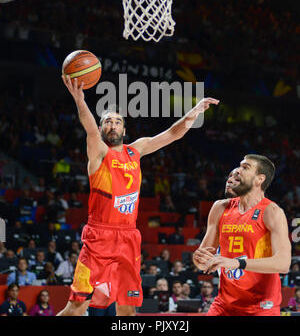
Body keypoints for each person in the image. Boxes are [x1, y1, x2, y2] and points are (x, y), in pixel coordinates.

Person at [57, 74, 219, 316]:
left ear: (124, 129)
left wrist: (194, 112)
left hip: (128, 239)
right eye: (107, 122)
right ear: (102, 128)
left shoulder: (137, 150)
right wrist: (80, 100)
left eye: (117, 122)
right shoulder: (99, 152)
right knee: (77, 307)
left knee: (128, 308)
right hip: (99, 237)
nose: (112, 125)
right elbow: (89, 128)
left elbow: (173, 134)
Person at [193, 155, 292, 316]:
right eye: (239, 166)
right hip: (224, 304)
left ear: (259, 179)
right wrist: (200, 259)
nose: (238, 170)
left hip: (260, 306)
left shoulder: (271, 212)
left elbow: (283, 263)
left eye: (245, 167)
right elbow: (203, 261)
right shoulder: (220, 207)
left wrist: (236, 263)